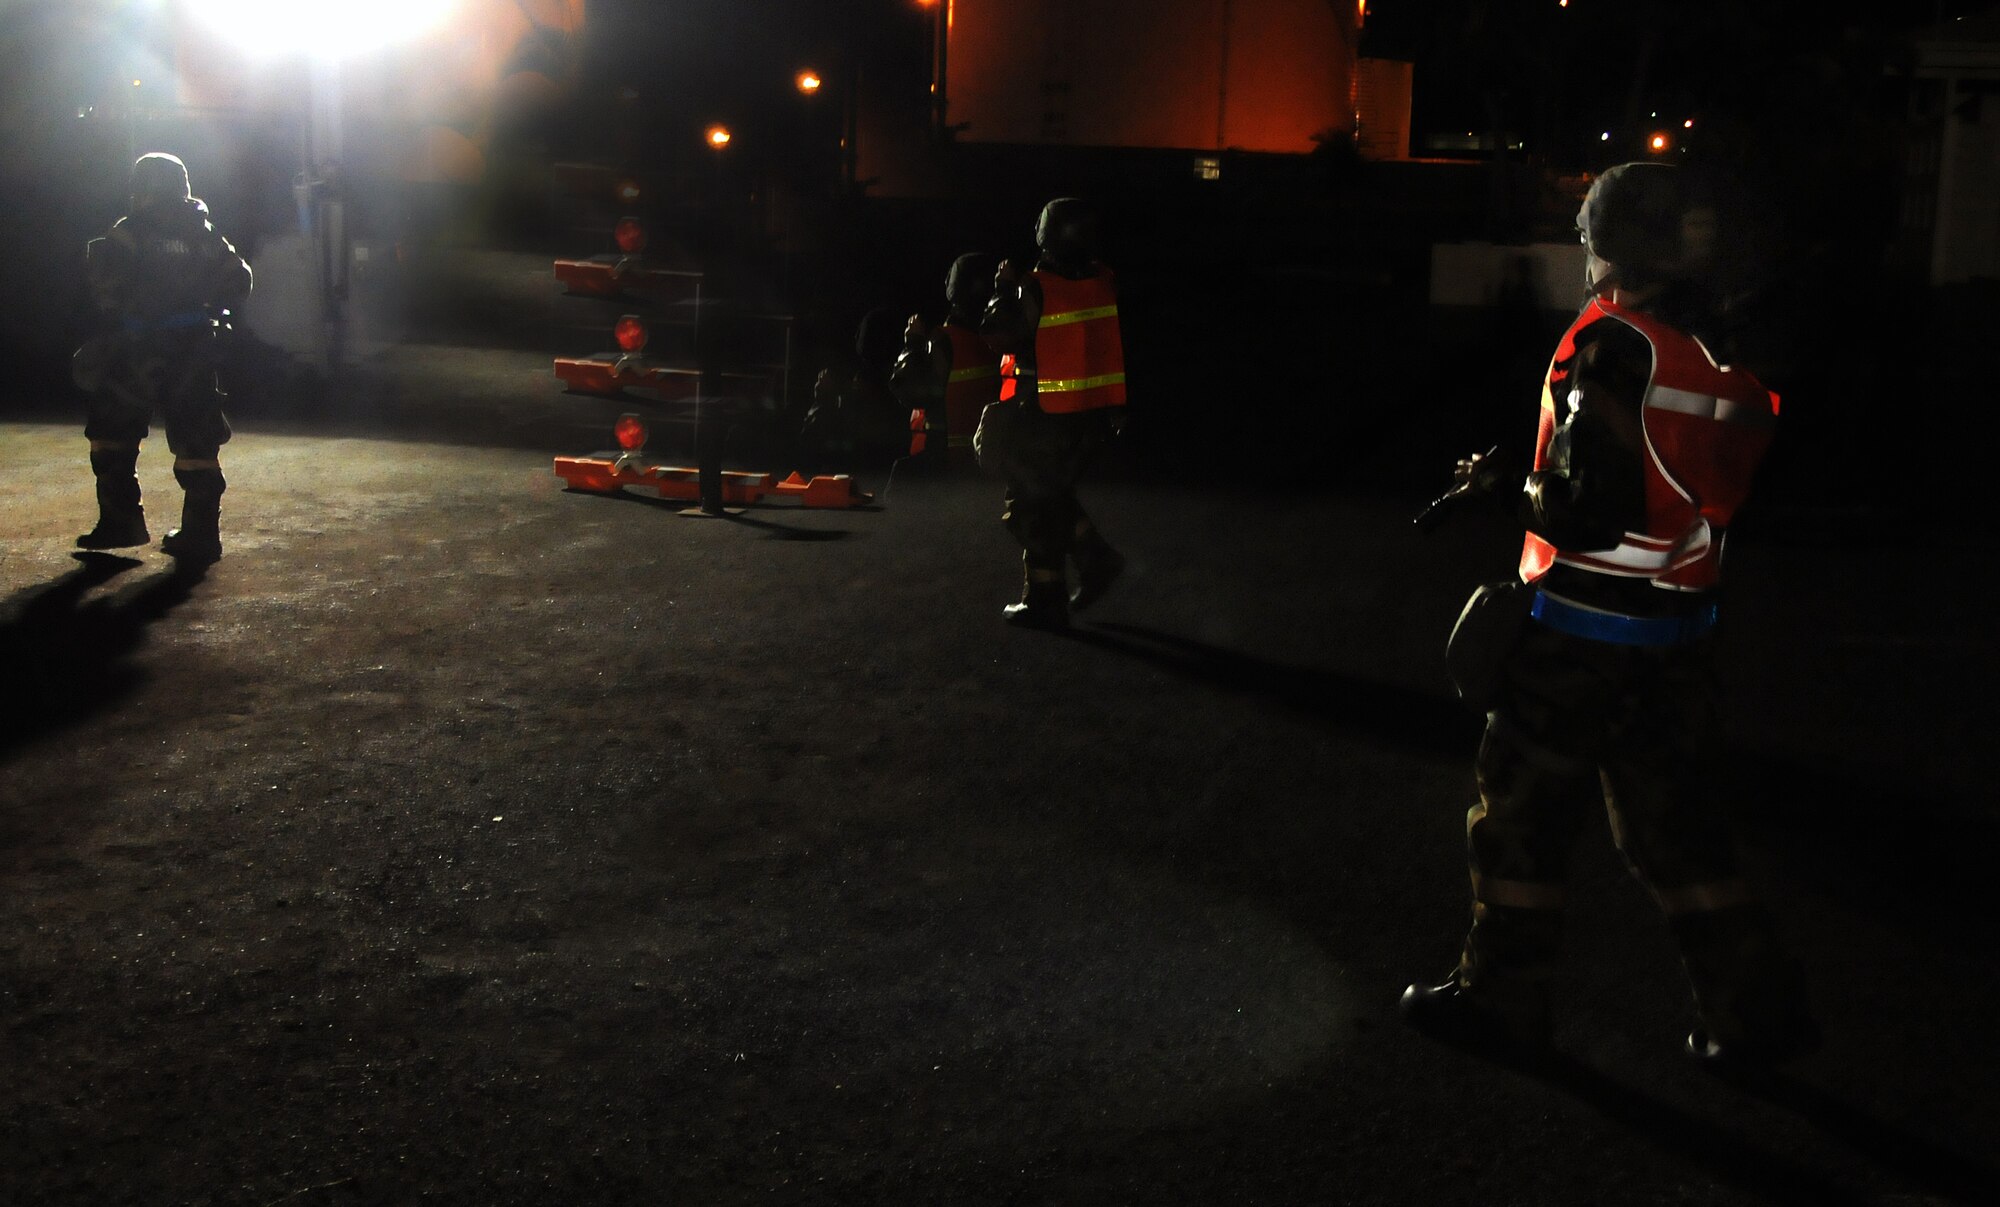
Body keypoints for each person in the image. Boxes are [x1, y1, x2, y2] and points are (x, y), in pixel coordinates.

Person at [1401, 163, 1818, 1068]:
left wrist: (1505, 489)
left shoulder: (1617, 347)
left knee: (1516, 824)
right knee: (1678, 840)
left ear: (1611, 245)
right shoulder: (1721, 343)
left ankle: (1503, 1001)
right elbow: (1671, 476)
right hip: (1679, 635)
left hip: (1584, 635)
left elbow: (1587, 505)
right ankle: (1754, 1020)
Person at [72, 152, 252, 565]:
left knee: (111, 431)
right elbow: (239, 280)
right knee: (198, 439)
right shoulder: (207, 235)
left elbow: (104, 287)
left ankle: (122, 523)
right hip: (194, 348)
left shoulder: (129, 233)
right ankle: (201, 534)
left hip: (138, 348)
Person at [975, 198, 1127, 628]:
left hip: (1043, 415)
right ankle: (1096, 559)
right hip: (1090, 417)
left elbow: (998, 334)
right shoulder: (1104, 281)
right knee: (1052, 494)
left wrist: (1006, 287)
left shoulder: (1036, 285)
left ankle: (1045, 600)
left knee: (1030, 505)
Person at [889, 252, 1001, 472]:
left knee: (901, 473)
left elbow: (909, 392)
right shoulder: (1000, 342)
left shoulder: (941, 340)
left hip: (946, 464)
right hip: (988, 465)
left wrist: (912, 345)